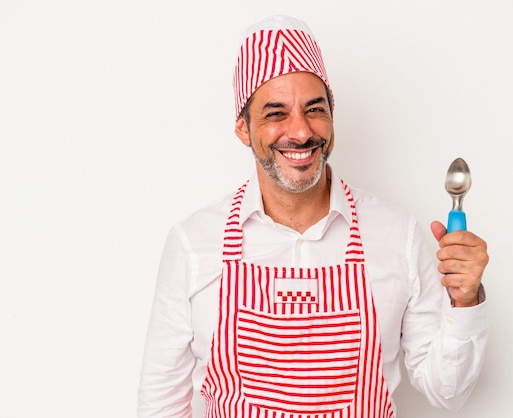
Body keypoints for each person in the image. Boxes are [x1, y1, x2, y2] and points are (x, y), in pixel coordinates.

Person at [138, 15, 489, 418]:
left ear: (332, 116)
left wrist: (464, 302)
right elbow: (160, 402)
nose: (301, 132)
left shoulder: (398, 235)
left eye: (314, 109)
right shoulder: (193, 242)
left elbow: (448, 393)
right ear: (242, 128)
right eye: (275, 113)